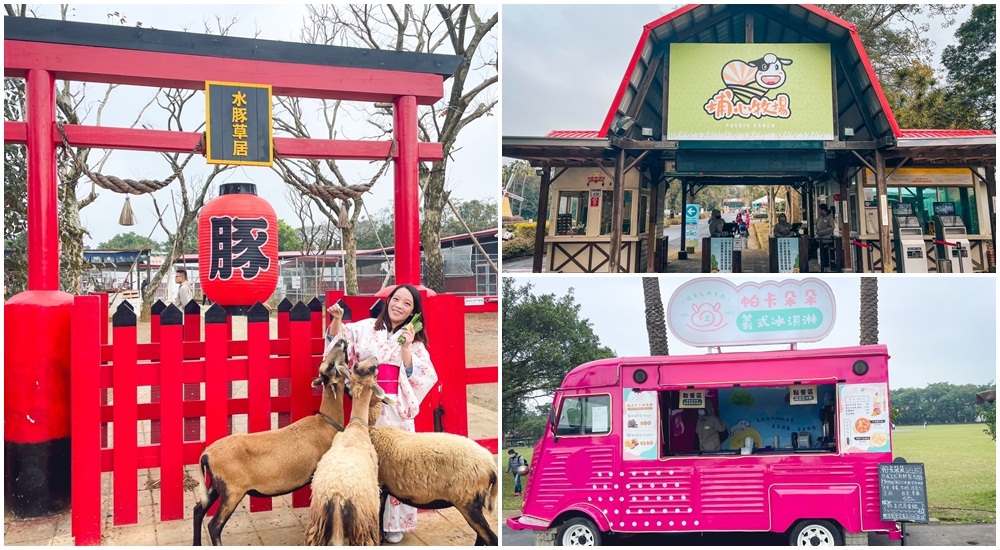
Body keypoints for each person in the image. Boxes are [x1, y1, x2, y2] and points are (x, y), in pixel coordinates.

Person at [324, 284, 438, 544]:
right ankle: (364, 520)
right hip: (366, 404)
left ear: (413, 313)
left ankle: (394, 523)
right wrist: (337, 321)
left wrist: (407, 349)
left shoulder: (415, 344)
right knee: (365, 461)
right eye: (396, 299)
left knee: (397, 464)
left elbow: (424, 376)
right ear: (388, 301)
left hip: (396, 407)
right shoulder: (366, 328)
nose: (399, 305)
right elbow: (339, 341)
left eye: (407, 304)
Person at [814, 204, 836, 272]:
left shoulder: (830, 218)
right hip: (818, 237)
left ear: (823, 210)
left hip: (826, 238)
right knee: (814, 248)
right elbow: (816, 224)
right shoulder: (820, 217)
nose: (819, 211)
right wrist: (817, 231)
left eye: (820, 209)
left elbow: (831, 228)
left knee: (825, 252)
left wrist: (822, 232)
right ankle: (820, 264)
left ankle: (826, 266)